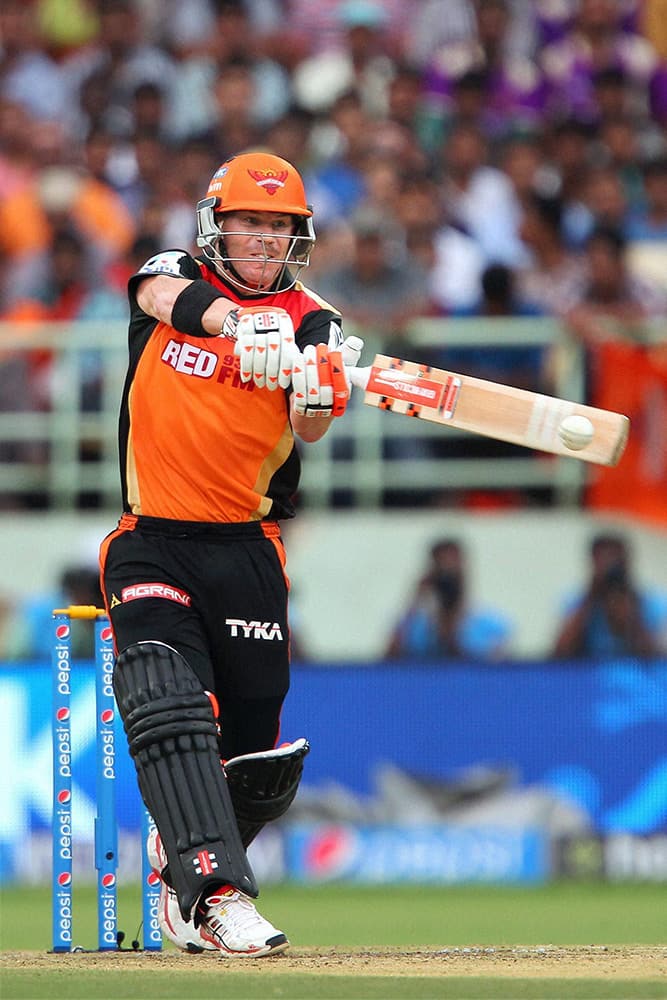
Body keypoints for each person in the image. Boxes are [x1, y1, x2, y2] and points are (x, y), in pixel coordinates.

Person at [98, 150, 364, 957]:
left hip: (249, 552)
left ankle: (181, 879)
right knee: (164, 694)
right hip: (151, 541)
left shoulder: (315, 319)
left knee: (254, 761)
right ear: (220, 226)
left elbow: (311, 425)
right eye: (248, 223)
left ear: (297, 238)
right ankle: (216, 893)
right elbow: (160, 295)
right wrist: (233, 323)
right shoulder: (175, 273)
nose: (262, 241)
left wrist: (314, 393)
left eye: (279, 228)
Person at [385, 538, 513, 661]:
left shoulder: (490, 624)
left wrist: (455, 620)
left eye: (454, 571)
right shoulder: (417, 626)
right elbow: (388, 667)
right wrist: (415, 602)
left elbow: (498, 672)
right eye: (442, 570)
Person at [552, 532, 667, 658]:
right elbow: (560, 653)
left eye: (616, 562)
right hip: (588, 675)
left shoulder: (651, 602)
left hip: (635, 675)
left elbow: (654, 656)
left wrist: (630, 614)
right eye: (603, 561)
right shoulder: (575, 601)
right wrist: (590, 598)